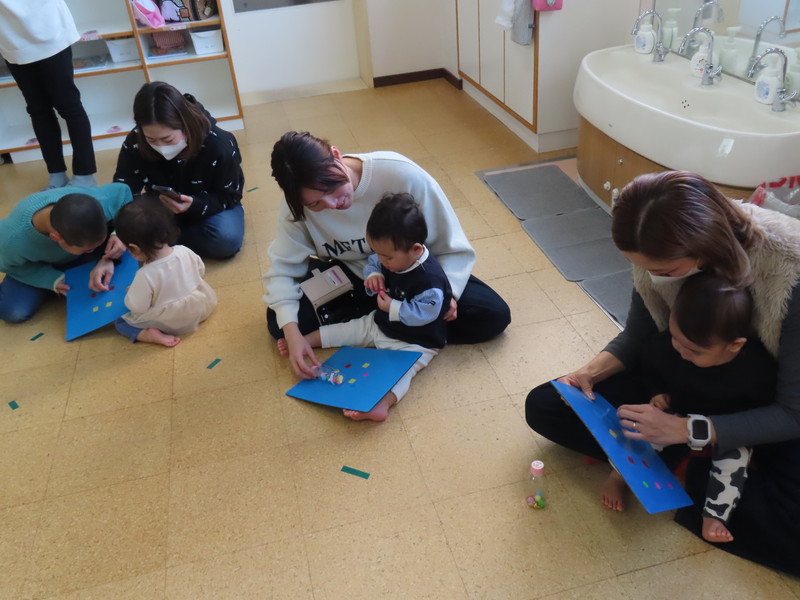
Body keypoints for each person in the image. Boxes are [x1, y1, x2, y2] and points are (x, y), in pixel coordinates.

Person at [524, 170, 800, 575]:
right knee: (548, 405)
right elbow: (639, 334)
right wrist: (590, 373)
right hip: (680, 384)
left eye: (665, 271)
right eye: (642, 268)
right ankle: (688, 464)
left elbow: (792, 412)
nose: (653, 278)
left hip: (764, 401)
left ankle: (682, 464)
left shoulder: (788, 271)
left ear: (705, 247)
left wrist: (687, 430)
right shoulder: (655, 258)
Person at [264, 131, 511, 379]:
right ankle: (390, 320)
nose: (332, 204)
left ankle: (383, 322)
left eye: (332, 187)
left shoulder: (400, 174)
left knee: (492, 315)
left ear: (336, 155)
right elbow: (282, 270)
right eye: (315, 204)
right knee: (280, 322)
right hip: (355, 277)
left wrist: (450, 294)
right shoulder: (295, 207)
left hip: (412, 277)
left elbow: (451, 249)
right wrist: (293, 335)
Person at [599, 273, 775, 545]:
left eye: (694, 351)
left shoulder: (757, 370)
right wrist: (657, 392)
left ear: (734, 345)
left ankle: (715, 516)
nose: (681, 352)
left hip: (725, 428)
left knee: (735, 462)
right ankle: (617, 477)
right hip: (677, 412)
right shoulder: (666, 346)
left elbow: (762, 413)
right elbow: (649, 364)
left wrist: (729, 432)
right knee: (640, 432)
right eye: (676, 339)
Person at [277, 192, 451, 422]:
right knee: (348, 329)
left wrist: (394, 307)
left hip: (416, 341)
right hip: (379, 323)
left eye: (387, 258)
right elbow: (373, 262)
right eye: (378, 253)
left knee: (402, 374)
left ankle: (381, 404)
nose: (382, 260)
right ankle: (305, 341)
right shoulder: (389, 255)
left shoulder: (430, 280)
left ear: (416, 250)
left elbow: (425, 313)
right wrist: (374, 274)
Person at [113, 81, 245, 259]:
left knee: (226, 239)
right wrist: (118, 231)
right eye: (151, 140)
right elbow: (123, 189)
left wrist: (195, 205)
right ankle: (160, 241)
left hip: (210, 207)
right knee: (122, 230)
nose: (160, 146)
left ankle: (159, 242)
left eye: (168, 140)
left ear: (185, 124)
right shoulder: (136, 141)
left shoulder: (218, 143)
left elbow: (229, 196)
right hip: (160, 208)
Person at [0, 183, 132, 323]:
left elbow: (124, 192)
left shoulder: (96, 201)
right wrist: (51, 279)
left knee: (136, 240)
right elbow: (10, 266)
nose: (92, 250)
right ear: (56, 238)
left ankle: (91, 256)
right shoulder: (11, 240)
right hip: (41, 265)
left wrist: (117, 234)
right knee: (15, 311)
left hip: (78, 252)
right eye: (88, 249)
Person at [0, 0, 96, 189]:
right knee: (38, 110)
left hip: (49, 28)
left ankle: (85, 174)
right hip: (10, 38)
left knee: (69, 105)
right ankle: (56, 173)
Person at [112, 196, 217, 347]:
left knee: (121, 323)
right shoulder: (184, 250)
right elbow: (200, 270)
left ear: (134, 248)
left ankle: (150, 335)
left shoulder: (145, 275)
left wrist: (131, 294)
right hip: (202, 306)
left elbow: (138, 307)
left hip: (173, 322)